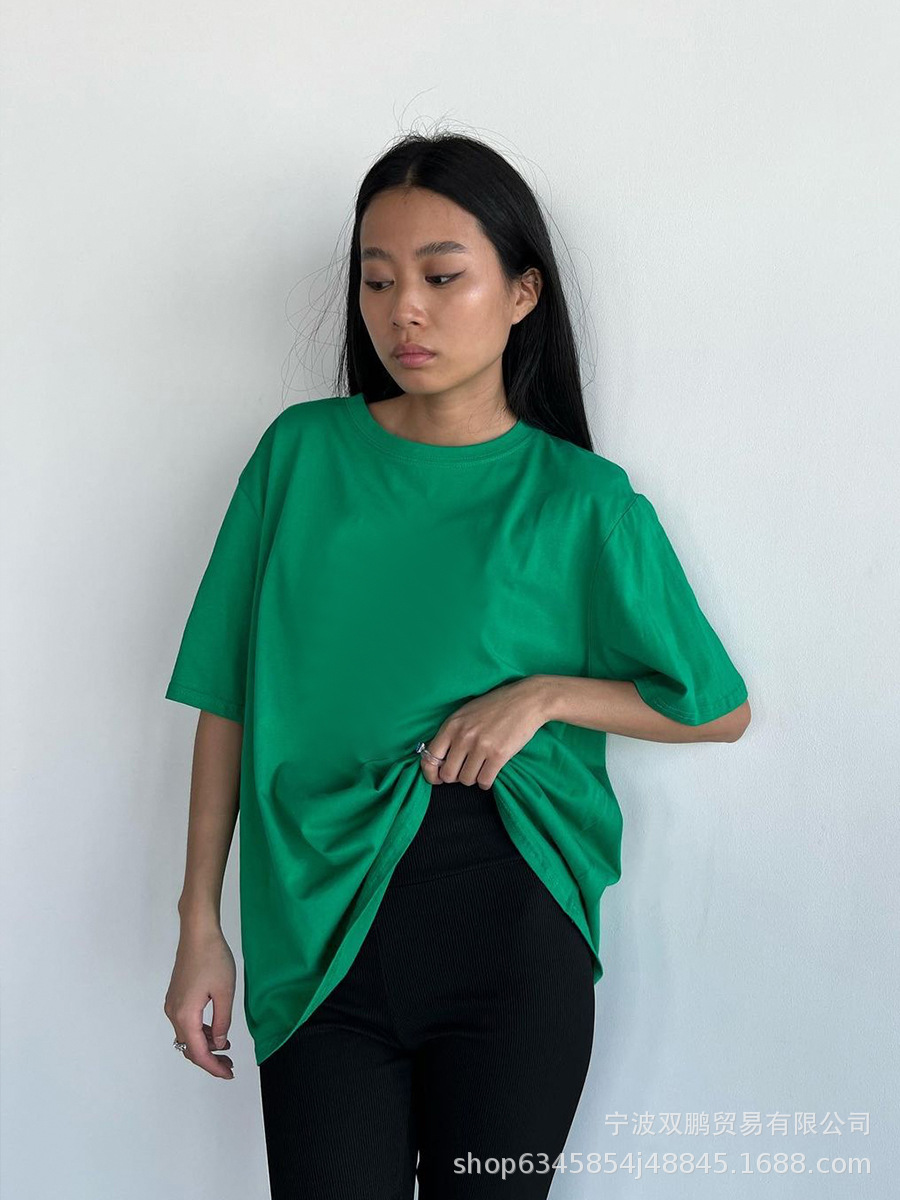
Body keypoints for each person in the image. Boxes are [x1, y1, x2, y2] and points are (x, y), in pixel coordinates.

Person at [162, 132, 751, 1199]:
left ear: (523, 293)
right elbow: (227, 698)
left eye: (441, 278)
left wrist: (547, 695)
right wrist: (199, 921)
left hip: (511, 941)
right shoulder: (299, 457)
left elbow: (716, 708)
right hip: (316, 939)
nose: (405, 312)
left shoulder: (583, 502)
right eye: (378, 280)